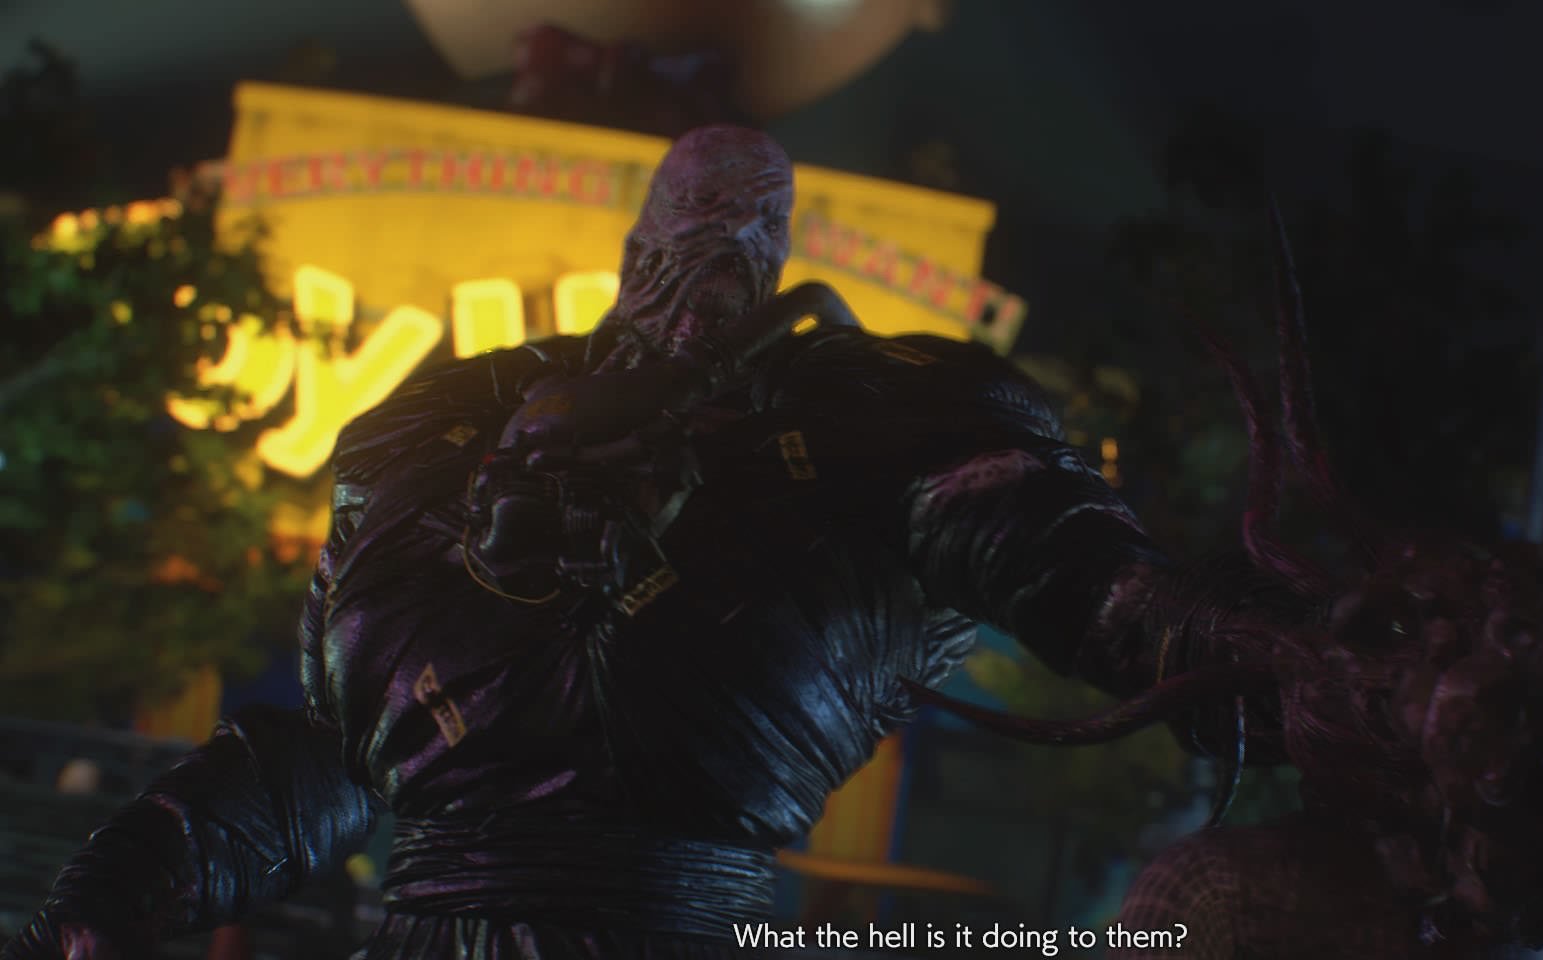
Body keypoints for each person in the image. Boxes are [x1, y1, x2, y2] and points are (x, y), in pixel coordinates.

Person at [0, 125, 1286, 960]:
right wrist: (126, 886)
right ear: (635, 245)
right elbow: (349, 747)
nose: (714, 262)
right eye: (692, 230)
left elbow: (1057, 556)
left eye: (747, 235)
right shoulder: (432, 431)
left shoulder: (864, 419)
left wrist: (1220, 646)